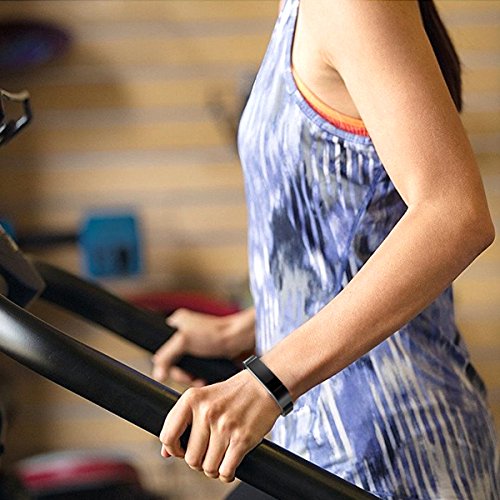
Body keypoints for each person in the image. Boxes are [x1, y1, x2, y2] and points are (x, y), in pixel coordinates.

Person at [153, 1, 500, 498]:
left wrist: (267, 381)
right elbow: (351, 241)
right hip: (322, 439)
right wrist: (245, 330)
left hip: (388, 452)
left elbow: (454, 216)